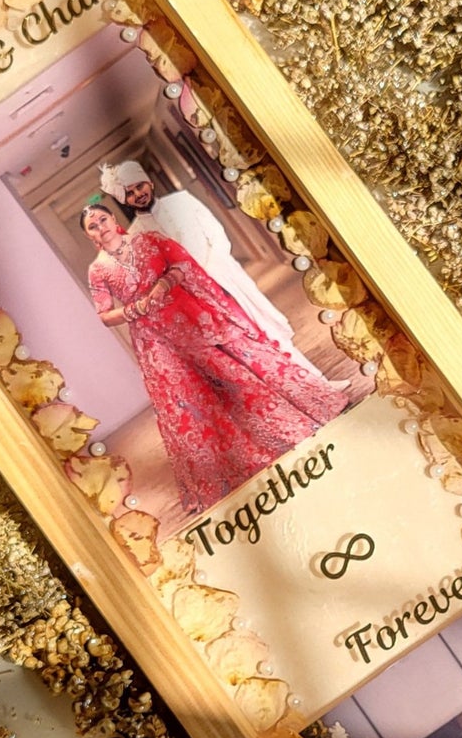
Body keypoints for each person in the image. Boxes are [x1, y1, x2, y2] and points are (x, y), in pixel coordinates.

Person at [80, 200, 345, 514]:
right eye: (92, 226)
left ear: (113, 219)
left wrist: (164, 284)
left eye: (102, 219)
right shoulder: (97, 270)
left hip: (189, 315)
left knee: (233, 375)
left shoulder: (148, 240)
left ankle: (286, 425)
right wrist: (133, 309)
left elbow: (181, 262)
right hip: (155, 340)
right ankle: (235, 460)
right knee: (191, 399)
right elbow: (103, 314)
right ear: (90, 236)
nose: (100, 227)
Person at [99, 159, 336, 384]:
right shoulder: (137, 234)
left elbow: (216, 235)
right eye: (130, 193)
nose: (138, 195)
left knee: (265, 326)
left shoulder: (183, 201)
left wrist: (210, 273)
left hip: (224, 276)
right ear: (125, 200)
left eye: (139, 186)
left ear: (149, 182)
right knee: (243, 348)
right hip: (196, 299)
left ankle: (320, 382)